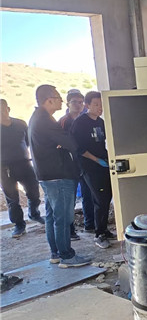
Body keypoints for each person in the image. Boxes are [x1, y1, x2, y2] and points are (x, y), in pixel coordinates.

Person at [27, 85, 91, 268]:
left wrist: (60, 145)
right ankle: (67, 256)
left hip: (47, 175)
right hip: (58, 175)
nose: (61, 101)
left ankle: (56, 253)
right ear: (49, 100)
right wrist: (63, 144)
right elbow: (70, 143)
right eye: (58, 98)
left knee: (52, 216)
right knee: (63, 218)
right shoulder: (46, 120)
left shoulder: (36, 117)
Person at [70, 91, 114, 249]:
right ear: (87, 105)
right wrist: (97, 160)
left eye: (101, 105)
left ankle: (104, 229)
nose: (99, 108)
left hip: (103, 164)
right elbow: (79, 148)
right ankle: (99, 234)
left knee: (107, 197)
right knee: (100, 199)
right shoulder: (80, 123)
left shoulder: (100, 122)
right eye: (96, 105)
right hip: (90, 167)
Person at [0, 99, 45, 238]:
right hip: (4, 168)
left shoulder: (20, 124)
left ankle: (34, 213)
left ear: (8, 109)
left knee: (34, 192)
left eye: (2, 109)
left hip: (24, 164)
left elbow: (28, 141)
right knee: (12, 199)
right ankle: (19, 225)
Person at [58, 89, 95, 239]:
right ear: (68, 104)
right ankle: (70, 230)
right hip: (69, 166)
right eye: (74, 102)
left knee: (88, 195)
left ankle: (90, 225)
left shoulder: (86, 119)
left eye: (80, 102)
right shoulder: (63, 121)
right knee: (70, 199)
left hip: (85, 163)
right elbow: (60, 143)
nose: (78, 105)